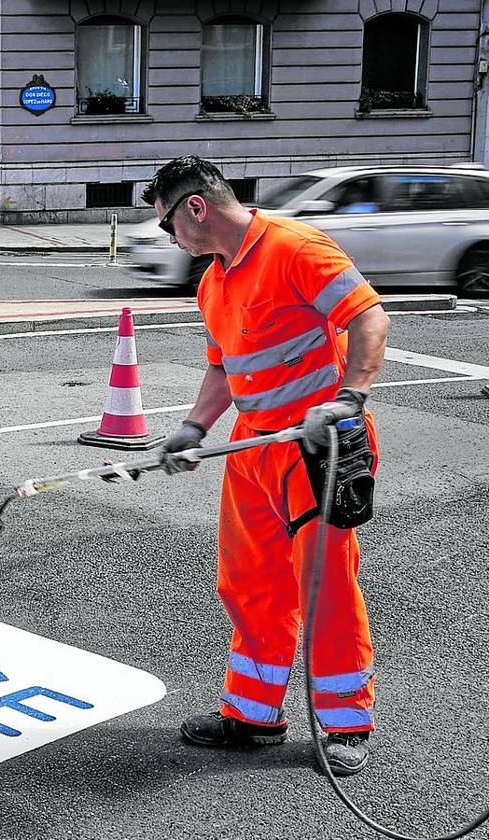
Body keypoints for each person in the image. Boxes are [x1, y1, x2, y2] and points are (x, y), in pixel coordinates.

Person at [149, 156, 390, 777]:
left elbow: (368, 317)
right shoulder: (214, 282)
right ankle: (253, 714)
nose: (170, 238)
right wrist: (194, 428)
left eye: (166, 223)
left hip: (319, 446)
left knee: (325, 586)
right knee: (250, 583)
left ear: (195, 208)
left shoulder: (295, 248)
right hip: (254, 447)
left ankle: (345, 723)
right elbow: (222, 368)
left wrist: (350, 397)